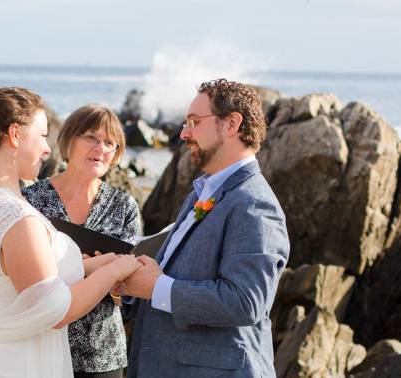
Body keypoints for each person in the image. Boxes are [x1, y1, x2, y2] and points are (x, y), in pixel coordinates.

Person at [0, 87, 142, 378]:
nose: (47, 148)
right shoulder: (19, 218)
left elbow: (12, 278)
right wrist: (116, 270)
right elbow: (55, 311)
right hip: (21, 364)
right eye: (41, 136)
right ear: (15, 135)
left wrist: (90, 265)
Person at [119, 79, 290, 377]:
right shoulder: (200, 194)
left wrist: (156, 286)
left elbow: (245, 301)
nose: (184, 133)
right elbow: (175, 273)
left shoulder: (254, 204)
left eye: (194, 122)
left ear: (232, 124)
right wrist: (129, 284)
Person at [22, 104, 141, 378]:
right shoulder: (32, 199)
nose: (100, 148)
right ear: (69, 140)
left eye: (109, 142)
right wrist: (85, 267)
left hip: (102, 353)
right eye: (91, 137)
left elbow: (130, 289)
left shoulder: (124, 205)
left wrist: (113, 280)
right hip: (41, 343)